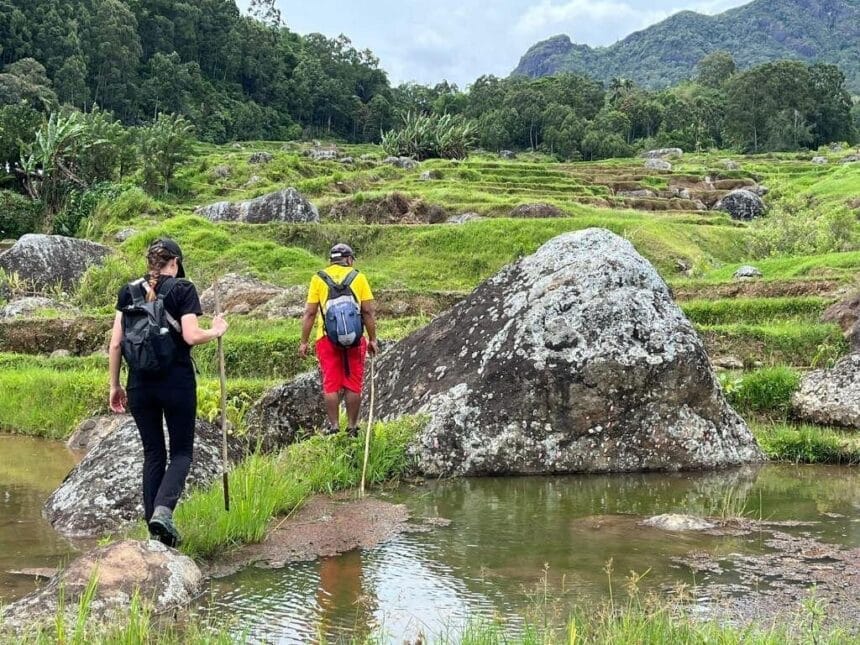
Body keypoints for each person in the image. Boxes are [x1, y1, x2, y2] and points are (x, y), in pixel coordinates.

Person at [108, 238, 228, 547]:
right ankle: (163, 513)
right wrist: (215, 330)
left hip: (139, 384)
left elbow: (116, 344)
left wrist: (114, 385)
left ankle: (154, 533)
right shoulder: (182, 289)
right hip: (175, 382)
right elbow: (190, 334)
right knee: (182, 453)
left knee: (153, 454)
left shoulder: (128, 291)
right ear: (173, 263)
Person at [299, 243, 378, 436]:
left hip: (326, 338)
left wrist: (304, 341)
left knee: (331, 383)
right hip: (355, 338)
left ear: (331, 260)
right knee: (353, 382)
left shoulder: (318, 278)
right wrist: (372, 339)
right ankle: (352, 427)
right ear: (349, 259)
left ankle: (334, 427)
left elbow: (310, 313)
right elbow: (367, 311)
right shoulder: (358, 278)